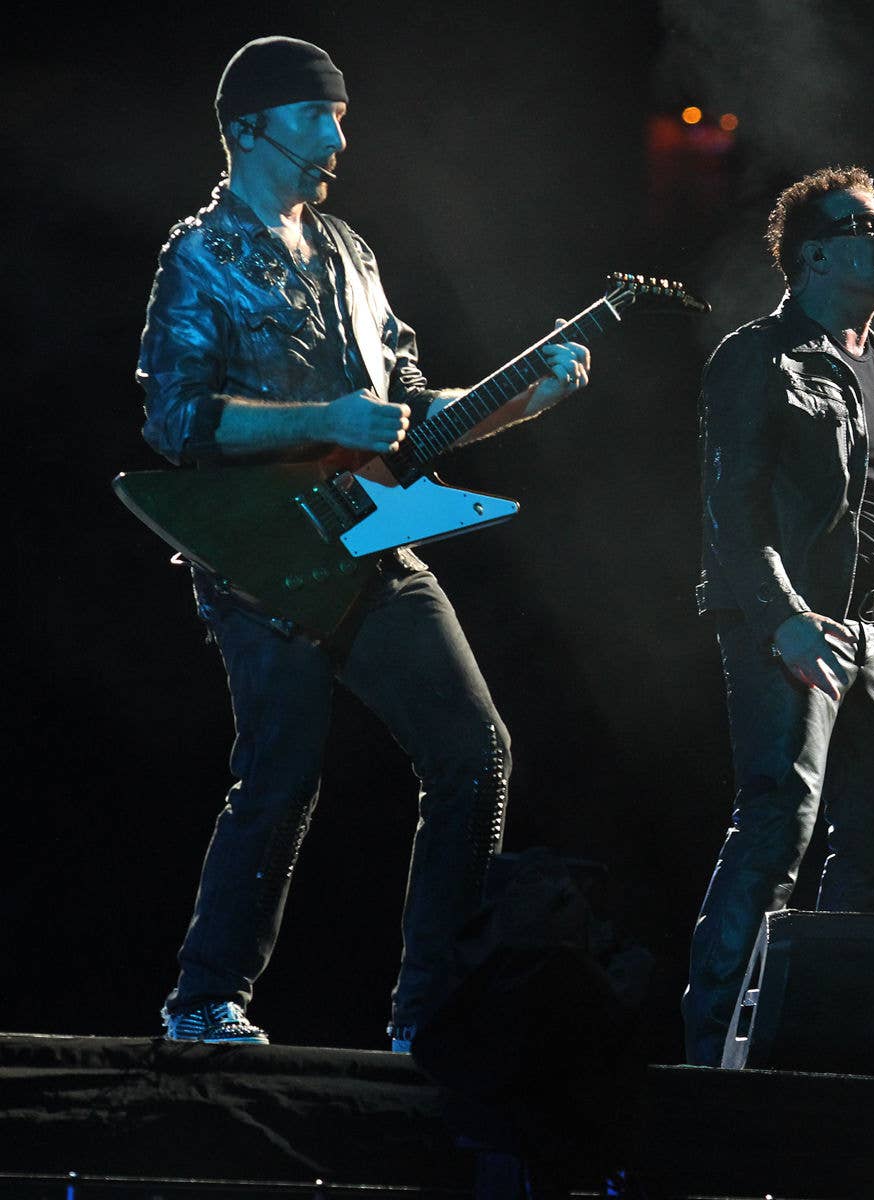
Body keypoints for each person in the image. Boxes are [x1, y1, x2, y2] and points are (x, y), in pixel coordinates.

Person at [135, 37, 591, 1050]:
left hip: (377, 538)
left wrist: (523, 405)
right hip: (262, 555)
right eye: (315, 116)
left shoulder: (351, 252)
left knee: (476, 756)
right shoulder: (200, 255)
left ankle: (427, 1016)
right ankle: (202, 1001)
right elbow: (177, 421)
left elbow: (410, 415)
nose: (338, 136)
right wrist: (320, 421)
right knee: (282, 772)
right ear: (249, 125)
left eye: (339, 115)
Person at [683, 166, 874, 1065]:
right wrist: (784, 617)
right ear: (812, 256)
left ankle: (817, 1049)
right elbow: (731, 511)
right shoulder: (756, 357)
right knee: (778, 827)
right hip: (792, 632)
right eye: (868, 228)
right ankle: (714, 1058)